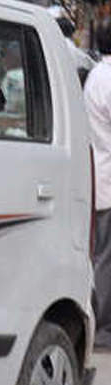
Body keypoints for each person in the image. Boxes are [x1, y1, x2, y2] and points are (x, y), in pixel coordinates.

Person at [83, 20, 111, 349]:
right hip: (106, 179)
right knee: (105, 257)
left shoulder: (96, 75)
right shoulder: (107, 79)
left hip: (100, 176)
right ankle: (104, 328)